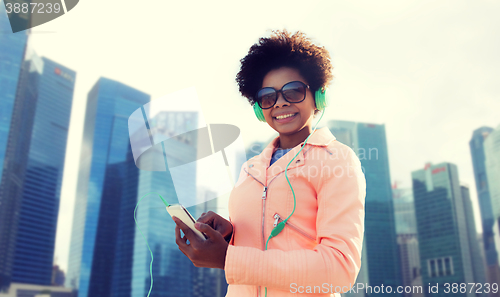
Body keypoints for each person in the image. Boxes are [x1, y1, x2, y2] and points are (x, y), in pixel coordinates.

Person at [173, 29, 366, 297]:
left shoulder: (338, 160)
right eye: (268, 96)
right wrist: (229, 235)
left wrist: (229, 259)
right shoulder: (250, 169)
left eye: (294, 91)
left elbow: (339, 269)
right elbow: (263, 240)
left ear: (318, 96)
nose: (280, 103)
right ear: (259, 108)